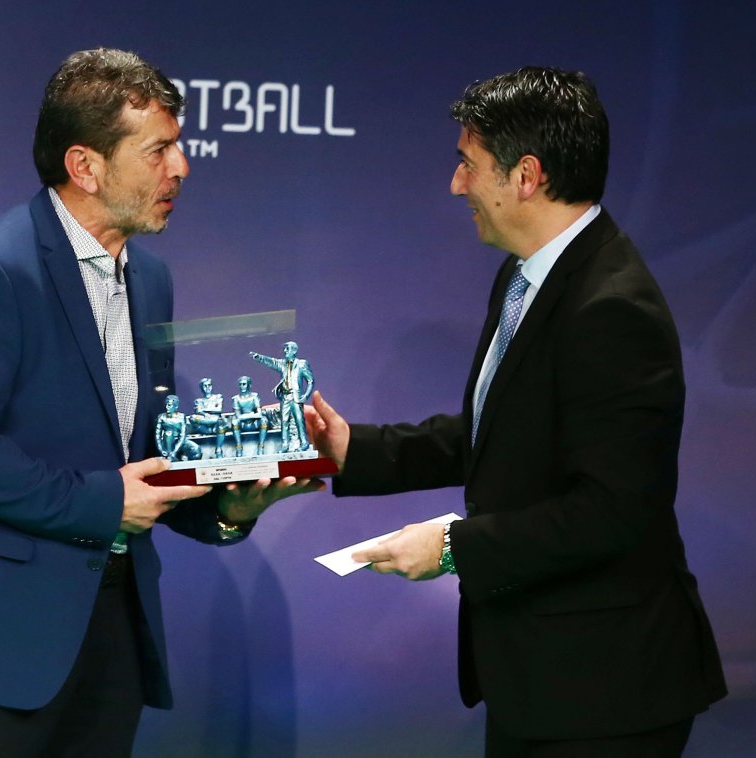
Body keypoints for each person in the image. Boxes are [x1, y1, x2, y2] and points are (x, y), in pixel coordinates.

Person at [0, 48, 319, 757]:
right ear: (85, 165)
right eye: (158, 150)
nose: (182, 167)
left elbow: (142, 458)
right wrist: (105, 501)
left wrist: (228, 507)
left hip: (111, 637)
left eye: (178, 146)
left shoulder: (150, 278)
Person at [308, 66, 726, 756]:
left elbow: (614, 510)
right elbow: (505, 432)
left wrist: (453, 547)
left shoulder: (611, 309)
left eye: (468, 165)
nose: (456, 185)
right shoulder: (530, 273)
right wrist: (358, 449)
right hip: (545, 679)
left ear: (526, 176)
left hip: (605, 691)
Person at [250, 341, 314, 453]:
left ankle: (304, 442)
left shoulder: (301, 364)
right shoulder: (282, 363)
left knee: (299, 420)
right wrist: (259, 357)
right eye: (284, 348)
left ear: (294, 350)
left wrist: (306, 396)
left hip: (296, 396)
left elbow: (310, 381)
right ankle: (285, 444)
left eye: (287, 348)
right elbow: (271, 361)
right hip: (285, 397)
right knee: (284, 421)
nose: (285, 351)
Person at [186, 377, 230, 458]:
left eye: (209, 385)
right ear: (202, 388)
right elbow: (198, 411)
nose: (207, 388)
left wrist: (204, 412)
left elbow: (218, 409)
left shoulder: (218, 397)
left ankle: (218, 449)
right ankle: (209, 427)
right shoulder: (199, 401)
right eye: (205, 386)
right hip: (204, 425)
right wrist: (206, 414)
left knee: (220, 421)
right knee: (193, 418)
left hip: (215, 423)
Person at [230, 375, 269, 457]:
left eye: (244, 384)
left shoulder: (254, 397)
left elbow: (259, 414)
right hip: (243, 424)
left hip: (254, 423)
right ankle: (239, 447)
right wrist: (251, 415)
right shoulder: (236, 399)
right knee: (234, 422)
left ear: (249, 385)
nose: (242, 386)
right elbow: (238, 417)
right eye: (240, 384)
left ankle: (261, 446)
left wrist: (248, 416)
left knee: (264, 421)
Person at [155, 395, 202, 462]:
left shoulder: (181, 417)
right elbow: (157, 435)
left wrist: (175, 450)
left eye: (169, 405)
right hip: (168, 442)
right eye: (166, 404)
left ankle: (181, 459)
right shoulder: (161, 417)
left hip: (180, 442)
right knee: (168, 433)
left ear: (176, 407)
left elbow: (182, 435)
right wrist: (161, 449)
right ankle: (170, 456)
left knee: (196, 450)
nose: (167, 407)